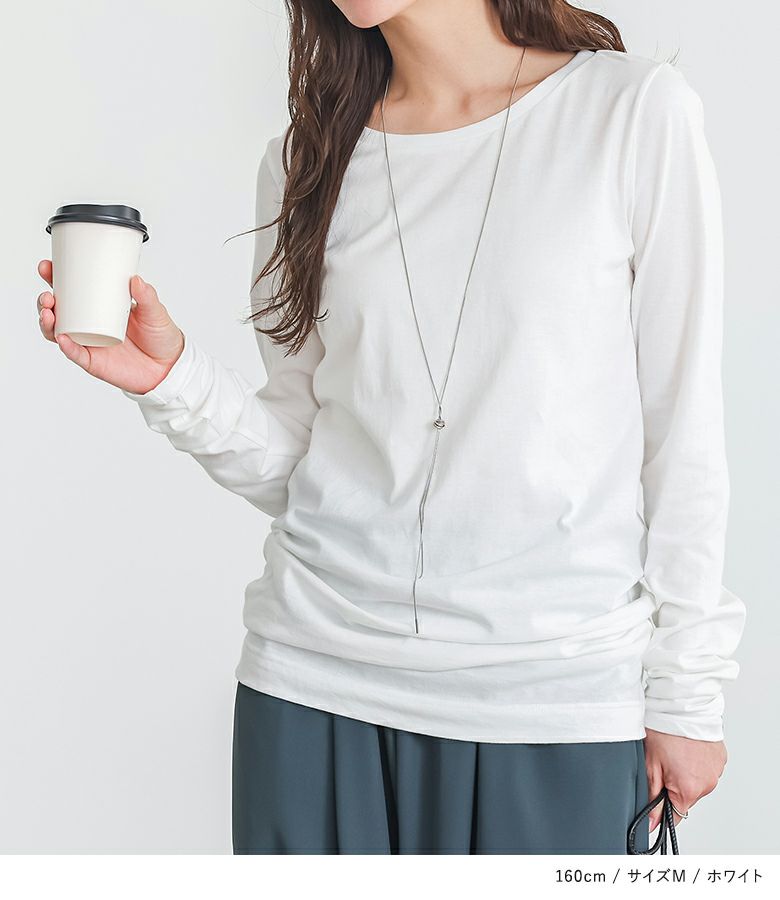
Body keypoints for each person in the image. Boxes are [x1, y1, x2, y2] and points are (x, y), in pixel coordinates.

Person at [36, 0, 746, 854]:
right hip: (313, 687)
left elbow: (684, 435)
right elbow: (308, 463)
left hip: (552, 698)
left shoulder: (630, 113)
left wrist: (688, 694)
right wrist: (171, 380)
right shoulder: (306, 162)